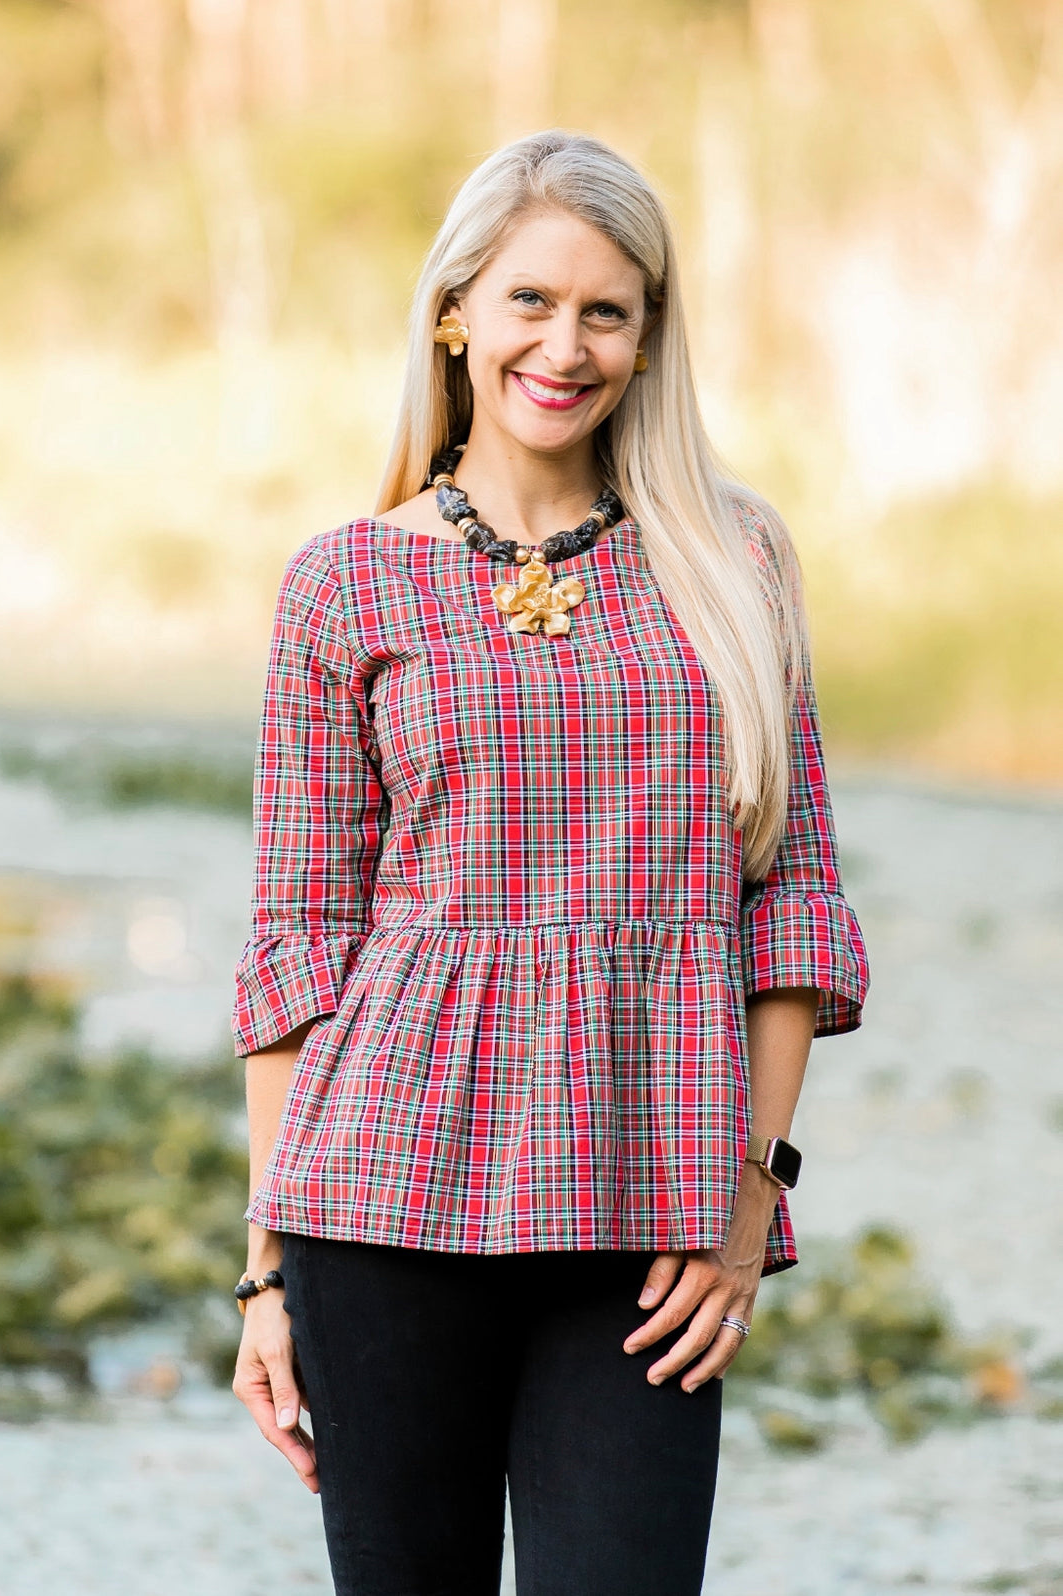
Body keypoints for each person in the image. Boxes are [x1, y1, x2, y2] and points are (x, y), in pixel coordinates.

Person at [229, 129, 869, 1596]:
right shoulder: (347, 579)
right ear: (456, 308)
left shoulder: (733, 557)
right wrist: (265, 1269)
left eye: (606, 311)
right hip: (379, 1206)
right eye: (529, 301)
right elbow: (298, 948)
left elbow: (795, 896)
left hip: (652, 1218)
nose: (564, 346)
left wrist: (750, 1194)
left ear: (649, 338)